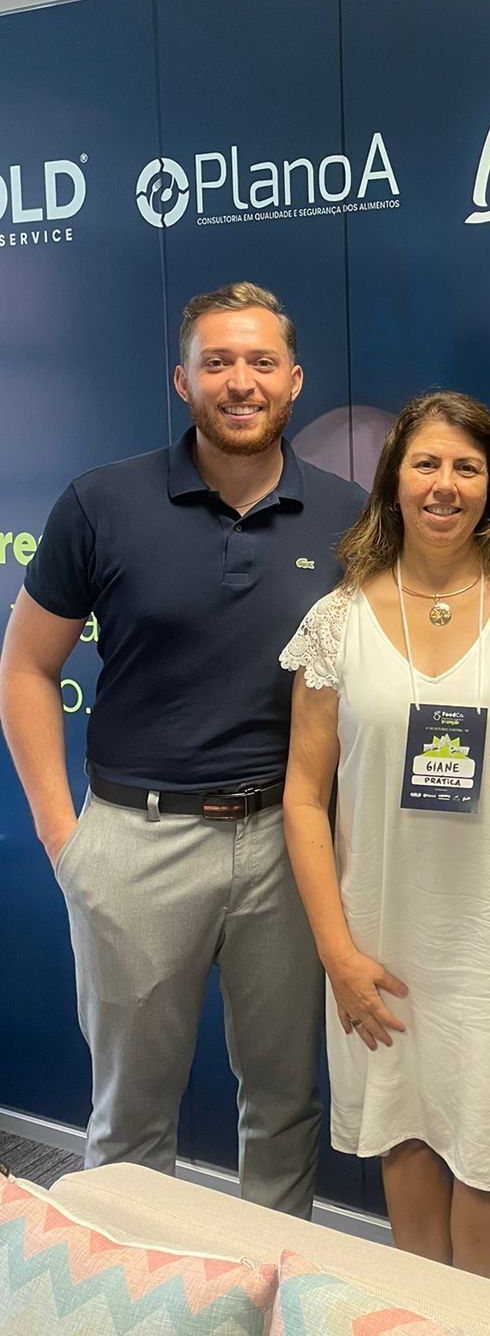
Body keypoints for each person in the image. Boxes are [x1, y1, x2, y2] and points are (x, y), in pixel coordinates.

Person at [0, 282, 365, 1217]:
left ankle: (270, 1294)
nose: (239, 382)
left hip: (289, 847)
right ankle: (128, 1303)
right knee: (128, 1122)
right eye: (217, 362)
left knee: (285, 1111)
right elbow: (28, 671)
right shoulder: (100, 503)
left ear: (294, 381)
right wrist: (64, 841)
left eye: (259, 363)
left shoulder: (352, 518)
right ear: (182, 379)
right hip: (135, 842)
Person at [278, 390, 490, 1282]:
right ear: (394, 480)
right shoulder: (336, 620)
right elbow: (305, 797)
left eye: (465, 466)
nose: (444, 484)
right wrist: (337, 954)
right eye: (426, 464)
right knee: (404, 1141)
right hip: (382, 940)